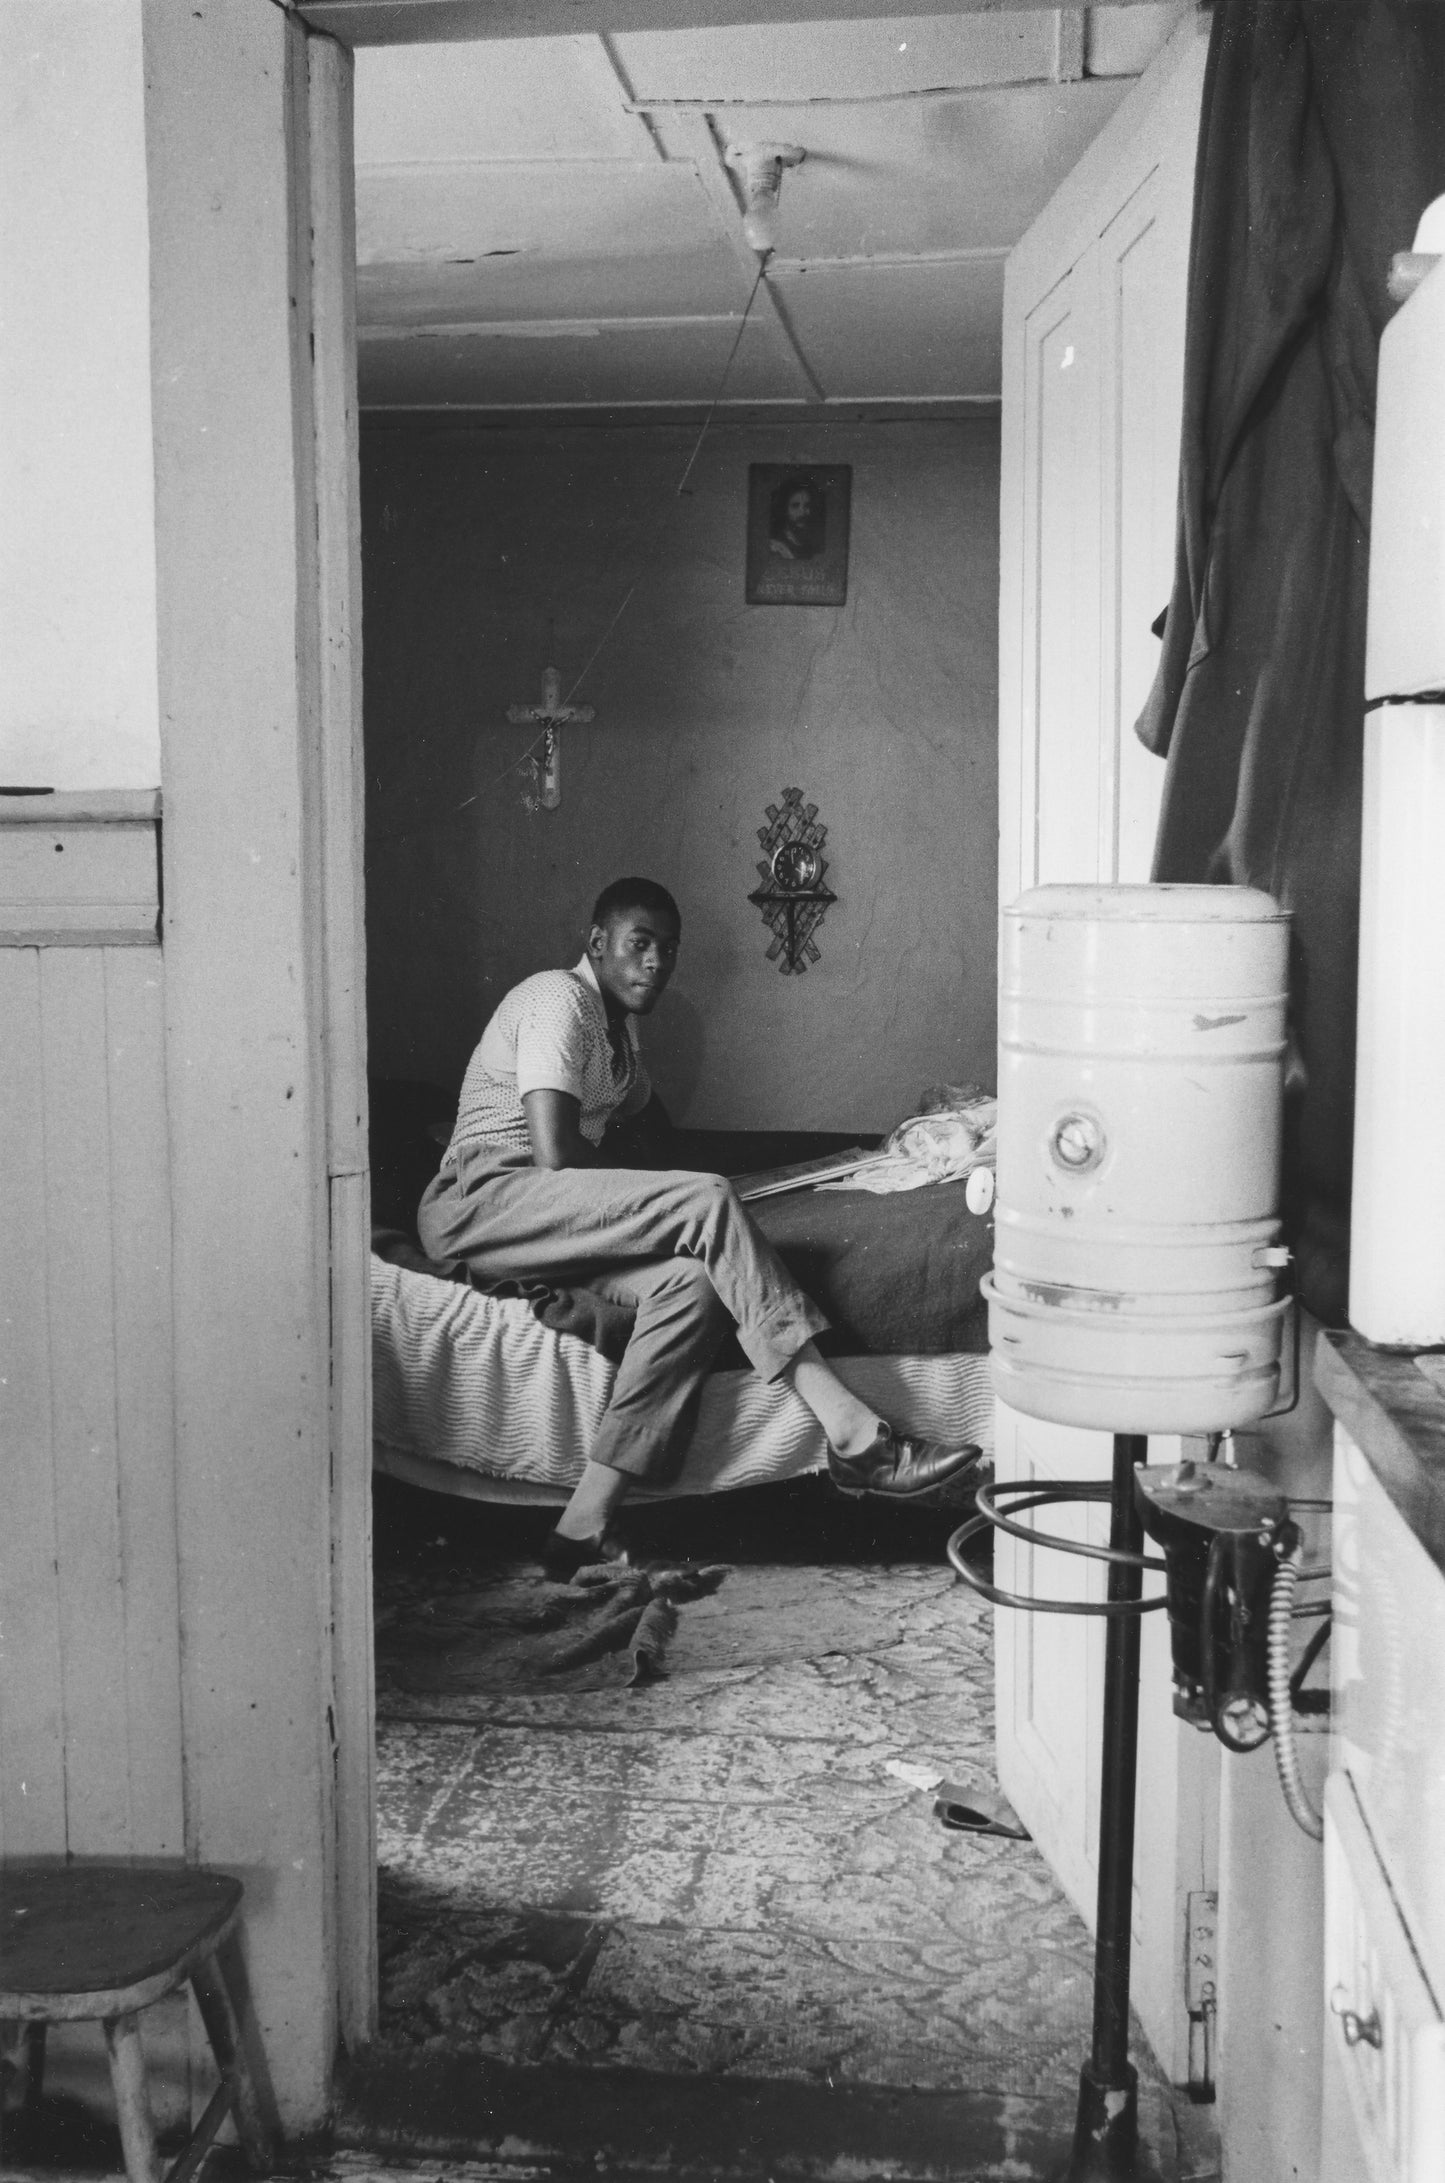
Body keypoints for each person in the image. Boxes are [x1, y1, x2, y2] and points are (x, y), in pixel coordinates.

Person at [418, 877, 983, 1574]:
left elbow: (663, 1144)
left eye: (668, 949)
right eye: (639, 943)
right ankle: (851, 1430)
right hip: (483, 1195)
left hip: (541, 1213)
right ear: (597, 943)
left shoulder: (618, 1035)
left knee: (693, 1284)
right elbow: (554, 1153)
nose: (656, 961)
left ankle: (580, 1526)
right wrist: (698, 1201)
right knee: (705, 1200)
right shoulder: (555, 998)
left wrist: (752, 1194)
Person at [767, 474, 825, 561]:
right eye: (795, 506)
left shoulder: (813, 543)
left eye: (807, 506)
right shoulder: (776, 547)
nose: (803, 512)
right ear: (784, 509)